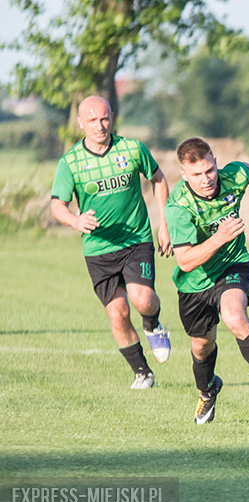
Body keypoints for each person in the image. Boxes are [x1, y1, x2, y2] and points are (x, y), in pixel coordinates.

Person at [165, 137, 249, 424]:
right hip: (194, 282)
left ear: (215, 163)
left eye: (210, 170)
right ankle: (207, 391)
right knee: (201, 345)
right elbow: (185, 261)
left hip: (233, 265)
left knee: (235, 317)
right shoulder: (178, 207)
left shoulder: (232, 175)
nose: (206, 179)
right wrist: (219, 237)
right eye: (197, 175)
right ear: (184, 175)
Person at [51, 95, 172, 390]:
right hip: (98, 250)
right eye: (92, 120)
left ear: (112, 117)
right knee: (117, 314)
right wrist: (75, 221)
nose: (99, 125)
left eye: (104, 118)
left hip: (136, 239)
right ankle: (142, 372)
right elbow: (57, 205)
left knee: (142, 299)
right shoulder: (71, 162)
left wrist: (164, 224)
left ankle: (153, 324)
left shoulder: (132, 149)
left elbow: (158, 179)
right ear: (81, 123)